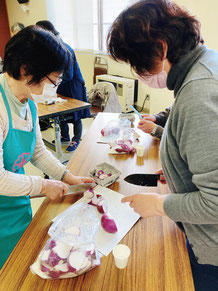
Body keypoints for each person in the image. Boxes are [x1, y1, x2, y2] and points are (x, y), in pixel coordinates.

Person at [107, 0, 218, 289]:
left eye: (136, 62)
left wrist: (158, 204)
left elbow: (216, 202)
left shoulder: (199, 95)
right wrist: (180, 174)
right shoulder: (206, 65)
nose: (138, 71)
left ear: (161, 48)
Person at [0, 25, 94, 269]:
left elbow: (38, 152)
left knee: (20, 261)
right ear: (25, 70)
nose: (55, 86)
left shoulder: (28, 103)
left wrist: (68, 176)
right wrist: (43, 185)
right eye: (53, 80)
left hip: (16, 202)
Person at [36, 20, 91, 153]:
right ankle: (65, 136)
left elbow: (69, 74)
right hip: (61, 83)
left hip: (73, 85)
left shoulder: (65, 49)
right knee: (60, 111)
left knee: (75, 114)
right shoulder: (54, 48)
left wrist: (51, 82)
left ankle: (76, 139)